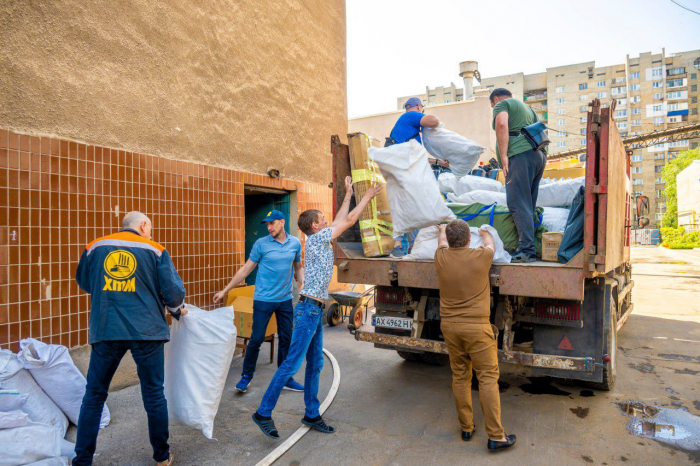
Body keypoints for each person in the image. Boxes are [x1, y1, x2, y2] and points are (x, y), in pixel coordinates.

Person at [252, 177, 382, 440]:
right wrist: (366, 196)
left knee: (316, 363)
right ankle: (263, 412)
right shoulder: (315, 239)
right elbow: (346, 222)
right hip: (309, 310)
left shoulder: (318, 237)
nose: (327, 222)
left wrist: (347, 194)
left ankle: (311, 413)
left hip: (314, 310)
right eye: (323, 220)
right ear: (315, 225)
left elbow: (338, 221)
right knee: (291, 364)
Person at [74, 212, 187, 466]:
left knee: (94, 395)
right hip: (147, 331)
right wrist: (177, 308)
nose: (151, 233)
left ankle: (82, 460)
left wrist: (110, 290)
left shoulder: (95, 246)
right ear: (143, 225)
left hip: (106, 328)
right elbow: (172, 291)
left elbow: (84, 281)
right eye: (150, 228)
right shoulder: (155, 249)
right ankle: (161, 458)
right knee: (154, 395)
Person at [435, 220, 516, 452]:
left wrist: (442, 229)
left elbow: (441, 241)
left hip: (450, 327)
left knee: (460, 376)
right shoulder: (481, 256)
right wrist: (485, 231)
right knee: (487, 378)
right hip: (477, 328)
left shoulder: (440, 257)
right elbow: (490, 243)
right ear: (469, 240)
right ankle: (496, 436)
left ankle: (467, 428)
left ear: (449, 241)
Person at [213, 210, 305, 393]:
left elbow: (298, 267)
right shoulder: (261, 244)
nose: (269, 227)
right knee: (255, 339)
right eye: (267, 224)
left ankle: (285, 377)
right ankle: (246, 377)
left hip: (285, 300)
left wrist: (303, 284)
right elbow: (245, 270)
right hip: (263, 300)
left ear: (282, 222)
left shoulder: (294, 243)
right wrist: (225, 290)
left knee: (286, 339)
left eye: (272, 223)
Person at [491, 88, 546, 263]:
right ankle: (529, 247)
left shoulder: (503, 105)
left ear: (496, 99)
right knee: (528, 203)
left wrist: (504, 155)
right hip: (538, 155)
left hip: (519, 155)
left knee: (516, 202)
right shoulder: (528, 109)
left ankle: (526, 251)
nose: (493, 106)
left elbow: (501, 124)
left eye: (492, 103)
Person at [387, 97, 446, 257]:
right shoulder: (410, 115)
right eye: (421, 109)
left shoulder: (407, 131)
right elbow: (433, 121)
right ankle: (400, 245)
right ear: (419, 106)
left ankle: (411, 247)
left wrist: (439, 162)